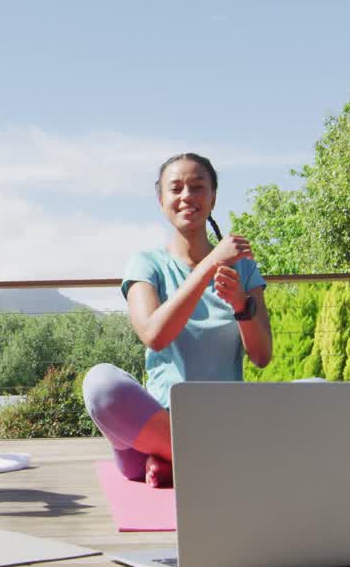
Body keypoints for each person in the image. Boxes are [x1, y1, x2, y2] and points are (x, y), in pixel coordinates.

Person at [82, 153, 272, 487]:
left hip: (225, 425)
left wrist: (241, 305)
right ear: (162, 201)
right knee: (100, 384)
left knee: (317, 390)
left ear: (213, 197)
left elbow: (262, 356)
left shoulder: (242, 267)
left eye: (197, 187)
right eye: (176, 188)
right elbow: (154, 335)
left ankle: (178, 463)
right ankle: (195, 459)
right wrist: (209, 265)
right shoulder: (146, 264)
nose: (187, 196)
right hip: (157, 427)